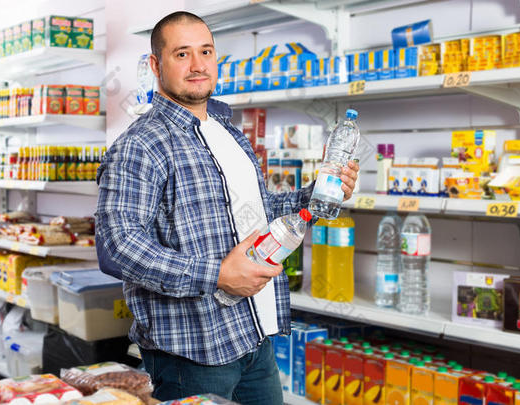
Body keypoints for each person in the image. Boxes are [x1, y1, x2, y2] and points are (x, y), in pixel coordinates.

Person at [95, 11, 359, 405]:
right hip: (192, 353)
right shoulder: (140, 145)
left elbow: (259, 212)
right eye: (182, 54)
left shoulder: (227, 132)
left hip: (254, 335)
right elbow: (119, 244)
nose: (198, 65)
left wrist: (317, 195)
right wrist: (217, 274)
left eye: (206, 51)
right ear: (156, 65)